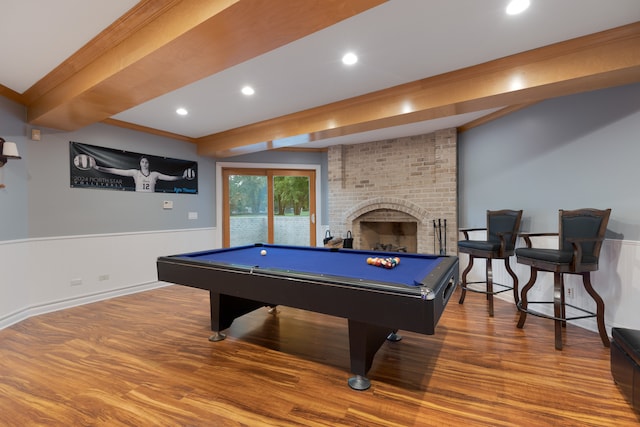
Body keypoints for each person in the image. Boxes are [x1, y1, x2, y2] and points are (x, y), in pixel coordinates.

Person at [94, 155, 186, 192]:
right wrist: (98, 168)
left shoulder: (154, 174)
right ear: (140, 163)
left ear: (149, 164)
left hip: (151, 200)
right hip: (138, 200)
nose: (145, 164)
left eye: (146, 162)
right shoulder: (135, 173)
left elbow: (170, 178)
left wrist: (182, 177)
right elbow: (116, 171)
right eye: (143, 162)